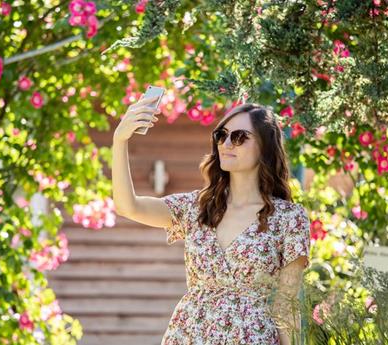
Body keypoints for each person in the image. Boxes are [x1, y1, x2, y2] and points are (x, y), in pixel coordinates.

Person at [112, 96, 311, 345]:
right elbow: (127, 206)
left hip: (250, 337)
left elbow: (286, 306)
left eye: (239, 137)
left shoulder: (289, 218)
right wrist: (120, 140)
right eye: (221, 135)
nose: (227, 143)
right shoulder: (197, 207)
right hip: (189, 334)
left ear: (264, 148)